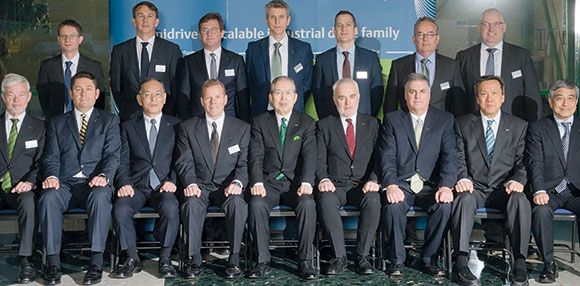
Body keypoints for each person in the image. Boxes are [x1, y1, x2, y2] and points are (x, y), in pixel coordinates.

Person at [37, 71, 121, 285]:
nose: (83, 94)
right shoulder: (56, 122)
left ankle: (95, 263)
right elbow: (51, 155)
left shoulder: (109, 121)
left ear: (97, 94)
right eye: (78, 89)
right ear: (71, 93)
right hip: (64, 183)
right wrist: (52, 177)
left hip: (94, 183)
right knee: (47, 198)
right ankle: (53, 264)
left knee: (101, 197)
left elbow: (112, 155)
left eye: (88, 89)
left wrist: (104, 176)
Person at [452, 75, 530, 286]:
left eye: (494, 93)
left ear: (503, 97)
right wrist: (462, 177)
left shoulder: (519, 126)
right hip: (474, 187)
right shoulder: (463, 124)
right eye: (484, 94)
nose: (489, 99)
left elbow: (523, 162)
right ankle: (460, 262)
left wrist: (518, 179)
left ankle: (520, 264)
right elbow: (458, 157)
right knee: (463, 199)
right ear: (477, 98)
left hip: (504, 189)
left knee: (520, 200)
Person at [378, 73, 457, 277]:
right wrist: (391, 184)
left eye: (422, 91)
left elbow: (450, 156)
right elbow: (386, 156)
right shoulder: (392, 120)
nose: (417, 96)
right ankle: (396, 261)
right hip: (402, 184)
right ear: (405, 95)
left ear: (429, 95)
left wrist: (446, 185)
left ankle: (429, 259)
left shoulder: (445, 120)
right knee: (392, 207)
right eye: (412, 91)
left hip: (431, 185)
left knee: (444, 207)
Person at [174, 79, 250, 279]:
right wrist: (190, 183)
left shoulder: (241, 128)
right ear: (201, 101)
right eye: (208, 97)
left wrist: (238, 182)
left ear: (225, 99)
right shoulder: (188, 127)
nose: (213, 102)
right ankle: (194, 259)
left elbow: (245, 163)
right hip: (200, 185)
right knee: (190, 205)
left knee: (238, 204)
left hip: (228, 187)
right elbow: (184, 161)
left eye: (217, 97)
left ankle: (234, 260)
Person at [247, 76, 317, 279]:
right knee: (256, 205)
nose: (283, 97)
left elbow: (310, 156)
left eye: (288, 93)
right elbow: (256, 156)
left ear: (295, 97)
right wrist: (257, 182)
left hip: (295, 184)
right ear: (271, 97)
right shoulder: (260, 122)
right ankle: (262, 260)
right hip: (268, 184)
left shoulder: (306, 123)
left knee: (307, 204)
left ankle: (305, 260)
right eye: (278, 92)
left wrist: (306, 182)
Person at [111, 78, 180, 279]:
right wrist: (124, 183)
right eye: (147, 94)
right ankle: (132, 258)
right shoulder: (128, 126)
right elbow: (122, 161)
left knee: (171, 207)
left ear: (164, 98)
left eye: (157, 94)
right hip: (136, 185)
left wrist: (173, 180)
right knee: (120, 208)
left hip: (164, 184)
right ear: (139, 99)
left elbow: (181, 159)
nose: (153, 99)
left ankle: (165, 258)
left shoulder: (176, 125)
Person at [315, 78, 381, 275]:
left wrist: (374, 179)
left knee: (373, 201)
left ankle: (362, 257)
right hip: (335, 185)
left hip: (363, 185)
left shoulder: (373, 124)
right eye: (342, 98)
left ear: (359, 98)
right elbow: (318, 160)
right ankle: (339, 257)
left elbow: (382, 158)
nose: (347, 102)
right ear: (335, 100)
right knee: (325, 200)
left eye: (352, 97)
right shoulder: (324, 125)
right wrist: (323, 179)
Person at [526, 80, 580, 283]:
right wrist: (539, 190)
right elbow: (535, 163)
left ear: (576, 102)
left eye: (570, 98)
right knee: (540, 211)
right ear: (550, 101)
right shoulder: (538, 128)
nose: (565, 103)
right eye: (559, 98)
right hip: (550, 191)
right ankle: (549, 263)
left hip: (577, 190)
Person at [456, 8, 542, 122]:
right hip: (474, 127)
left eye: (496, 24)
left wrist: (533, 130)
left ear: (504, 27)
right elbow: (459, 98)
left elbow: (532, 95)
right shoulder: (464, 57)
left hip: (514, 127)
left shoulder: (521, 56)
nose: (491, 29)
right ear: (479, 27)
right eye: (486, 24)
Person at [0, 74, 45, 283]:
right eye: (11, 95)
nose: (16, 100)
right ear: (3, 98)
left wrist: (30, 181)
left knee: (29, 202)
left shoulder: (40, 127)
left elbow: (43, 161)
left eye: (20, 95)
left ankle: (27, 260)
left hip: (23, 186)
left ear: (28, 97)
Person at [110, 1, 181, 121]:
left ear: (156, 22)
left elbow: (176, 87)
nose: (145, 20)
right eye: (140, 15)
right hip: (130, 118)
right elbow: (116, 87)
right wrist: (126, 110)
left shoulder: (171, 50)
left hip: (164, 117)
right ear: (133, 21)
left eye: (150, 16)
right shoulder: (120, 51)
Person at [175, 13, 250, 122]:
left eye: (214, 29)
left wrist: (244, 125)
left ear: (222, 33)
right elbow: (184, 98)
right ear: (200, 35)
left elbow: (243, 98)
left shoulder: (236, 60)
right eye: (204, 30)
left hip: (229, 122)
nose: (209, 34)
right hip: (198, 122)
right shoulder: (188, 62)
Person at [384, 17, 465, 117]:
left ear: (437, 38)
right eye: (420, 34)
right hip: (407, 128)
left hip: (441, 128)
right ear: (414, 39)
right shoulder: (398, 66)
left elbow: (459, 105)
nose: (425, 38)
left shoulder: (452, 66)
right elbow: (390, 104)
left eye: (430, 34)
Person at [245, 0, 313, 117]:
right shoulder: (254, 49)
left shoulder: (303, 49)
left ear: (288, 20)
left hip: (294, 114)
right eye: (273, 17)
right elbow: (250, 83)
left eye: (281, 17)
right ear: (266, 20)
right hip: (262, 114)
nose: (277, 22)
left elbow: (306, 85)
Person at [312, 10, 383, 119]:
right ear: (334, 31)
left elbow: (376, 93)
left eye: (348, 25)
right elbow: (318, 94)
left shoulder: (370, 58)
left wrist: (367, 120)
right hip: (332, 124)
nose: (344, 28)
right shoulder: (323, 60)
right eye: (339, 25)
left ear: (355, 30)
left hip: (363, 123)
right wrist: (327, 122)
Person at [37, 19, 105, 119]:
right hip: (56, 121)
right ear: (58, 39)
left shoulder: (94, 67)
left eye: (72, 36)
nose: (67, 39)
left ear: (80, 39)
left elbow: (99, 98)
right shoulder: (47, 66)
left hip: (85, 122)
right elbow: (43, 96)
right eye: (63, 36)